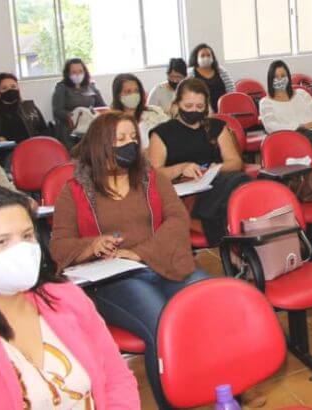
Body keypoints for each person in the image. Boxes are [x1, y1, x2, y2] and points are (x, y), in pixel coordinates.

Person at [50, 111, 209, 407]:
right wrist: (93, 245)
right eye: (120, 139)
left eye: (133, 139)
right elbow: (59, 246)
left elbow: (177, 219)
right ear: (100, 146)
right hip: (114, 279)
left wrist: (138, 253)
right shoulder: (74, 192)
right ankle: (172, 403)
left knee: (208, 303)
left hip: (162, 260)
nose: (129, 145)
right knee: (162, 323)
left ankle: (226, 387)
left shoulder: (151, 178)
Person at [0, 185, 139, 408]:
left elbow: (117, 378)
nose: (21, 250)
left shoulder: (64, 297)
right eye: (2, 242)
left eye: (26, 236)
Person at [148, 78, 248, 246]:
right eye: (188, 106)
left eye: (199, 107)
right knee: (237, 190)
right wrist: (181, 168)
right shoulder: (162, 133)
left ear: (206, 105)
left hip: (216, 183)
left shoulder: (216, 127)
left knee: (240, 183)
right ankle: (236, 249)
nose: (194, 110)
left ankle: (232, 247)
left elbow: (235, 162)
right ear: (177, 103)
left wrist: (212, 169)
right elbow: (154, 173)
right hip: (184, 193)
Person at [259, 60, 312, 169]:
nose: (280, 80)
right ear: (270, 80)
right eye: (276, 77)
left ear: (288, 77)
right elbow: (271, 126)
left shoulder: (301, 94)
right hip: (294, 143)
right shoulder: (266, 102)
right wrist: (300, 126)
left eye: (283, 76)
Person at [52, 58, 107, 147]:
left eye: (80, 71)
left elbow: (102, 107)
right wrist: (75, 115)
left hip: (91, 127)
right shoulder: (61, 88)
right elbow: (58, 111)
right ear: (68, 74)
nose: (78, 74)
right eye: (74, 72)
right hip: (71, 129)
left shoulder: (91, 86)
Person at [0, 73, 48, 143]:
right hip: (7, 152)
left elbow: (45, 131)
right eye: (4, 88)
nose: (10, 90)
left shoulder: (30, 108)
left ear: (18, 88)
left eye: (13, 87)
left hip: (33, 148)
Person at [111, 73, 168, 148]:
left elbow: (171, 133)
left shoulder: (155, 112)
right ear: (118, 95)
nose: (133, 94)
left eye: (136, 91)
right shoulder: (112, 122)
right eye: (128, 92)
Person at [188, 43, 234, 112]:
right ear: (196, 58)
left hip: (224, 110)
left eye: (208, 55)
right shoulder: (190, 73)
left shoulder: (221, 71)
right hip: (200, 111)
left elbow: (231, 90)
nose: (206, 58)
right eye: (202, 56)